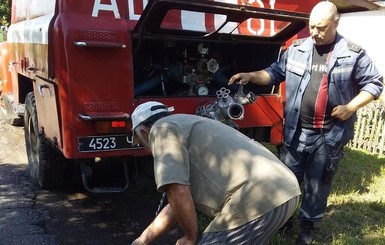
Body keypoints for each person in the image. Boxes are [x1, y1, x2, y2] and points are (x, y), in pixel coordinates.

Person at [228, 1, 383, 244]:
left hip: (329, 135)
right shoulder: (297, 49)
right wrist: (250, 75)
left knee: (318, 183)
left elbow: (374, 84)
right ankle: (284, 218)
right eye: (311, 27)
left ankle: (307, 227)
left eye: (321, 28)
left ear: (335, 23)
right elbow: (274, 72)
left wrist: (351, 107)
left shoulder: (353, 53)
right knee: (286, 179)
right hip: (295, 132)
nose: (314, 33)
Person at [130, 101, 301, 245]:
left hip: (258, 197)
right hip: (285, 190)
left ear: (145, 132)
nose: (146, 148)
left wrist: (190, 237)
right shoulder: (186, 125)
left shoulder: (161, 129)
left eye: (141, 142)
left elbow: (177, 189)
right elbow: (177, 205)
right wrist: (142, 240)